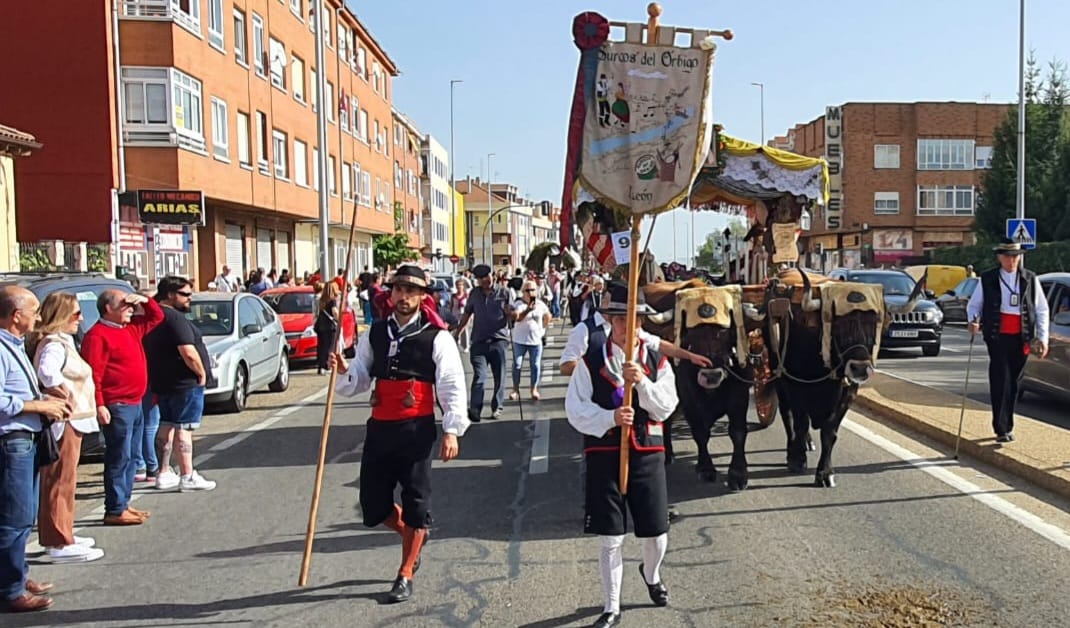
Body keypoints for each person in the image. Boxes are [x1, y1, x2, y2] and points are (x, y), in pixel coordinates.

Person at [330, 264, 468, 603]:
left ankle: (405, 572)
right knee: (373, 503)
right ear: (390, 294)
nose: (403, 297)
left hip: (416, 429)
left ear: (423, 297)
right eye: (398, 290)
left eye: (411, 291)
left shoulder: (438, 337)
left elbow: (452, 385)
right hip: (380, 427)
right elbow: (361, 378)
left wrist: (451, 430)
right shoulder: (375, 333)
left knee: (416, 501)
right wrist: (345, 368)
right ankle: (413, 533)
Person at [565, 282, 677, 627]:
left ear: (642, 322)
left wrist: (641, 383)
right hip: (604, 452)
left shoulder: (656, 359)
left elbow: (667, 407)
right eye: (618, 320)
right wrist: (609, 417)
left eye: (633, 320)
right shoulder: (591, 358)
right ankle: (611, 606)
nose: (626, 327)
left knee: (656, 533)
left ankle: (651, 573)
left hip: (647, 451)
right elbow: (575, 409)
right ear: (609, 321)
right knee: (611, 535)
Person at [0, 286, 73, 613]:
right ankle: (10, 589)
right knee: (14, 518)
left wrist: (46, 401)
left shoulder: (13, 345)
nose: (39, 317)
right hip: (11, 441)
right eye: (34, 310)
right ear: (17, 316)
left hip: (25, 439)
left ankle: (16, 574)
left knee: (22, 516)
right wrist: (37, 406)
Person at [29, 292, 105, 564]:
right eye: (75, 314)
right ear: (60, 316)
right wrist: (64, 394)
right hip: (66, 420)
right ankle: (58, 540)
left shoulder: (63, 342)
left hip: (73, 419)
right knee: (59, 480)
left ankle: (64, 532)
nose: (80, 319)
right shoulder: (54, 344)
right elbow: (47, 373)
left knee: (66, 479)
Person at [80, 289, 164, 526]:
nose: (130, 308)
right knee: (119, 456)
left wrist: (145, 301)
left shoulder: (130, 328)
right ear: (108, 308)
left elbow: (155, 317)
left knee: (131, 457)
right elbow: (93, 373)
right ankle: (115, 507)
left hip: (135, 401)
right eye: (124, 304)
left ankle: (124, 503)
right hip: (117, 404)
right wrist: (99, 404)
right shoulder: (98, 335)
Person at [966, 239, 1049, 443]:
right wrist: (973, 321)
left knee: (1014, 381)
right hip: (997, 336)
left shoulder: (1030, 279)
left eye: (1015, 257)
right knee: (1000, 379)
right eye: (1007, 257)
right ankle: (1002, 428)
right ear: (1000, 258)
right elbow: (974, 306)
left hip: (1022, 338)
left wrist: (1043, 338)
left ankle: (1007, 422)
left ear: (1019, 258)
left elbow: (1041, 310)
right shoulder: (988, 279)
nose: (1011, 261)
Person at [144, 276, 216, 492]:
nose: (189, 299)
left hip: (163, 380)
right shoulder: (174, 318)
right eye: (185, 295)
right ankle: (187, 474)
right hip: (184, 382)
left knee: (166, 424)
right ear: (170, 294)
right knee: (184, 427)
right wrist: (201, 373)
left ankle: (164, 471)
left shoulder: (153, 317)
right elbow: (187, 351)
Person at [560, 281, 712, 377]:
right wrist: (603, 371)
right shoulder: (584, 330)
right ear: (607, 304)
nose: (627, 323)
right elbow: (566, 366)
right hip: (598, 406)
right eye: (622, 316)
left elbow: (659, 344)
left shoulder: (632, 330)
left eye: (633, 316)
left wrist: (690, 356)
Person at [453, 264, 512, 422]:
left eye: (486, 277)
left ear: (492, 275)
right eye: (480, 279)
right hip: (479, 341)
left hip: (498, 340)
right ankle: (475, 409)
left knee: (499, 375)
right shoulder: (474, 294)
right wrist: (457, 333)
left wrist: (510, 313)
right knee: (479, 375)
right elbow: (466, 314)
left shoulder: (504, 292)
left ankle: (497, 406)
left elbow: (514, 314)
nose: (484, 281)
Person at [510, 280, 551, 401]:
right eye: (527, 290)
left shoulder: (540, 304)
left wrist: (543, 329)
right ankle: (515, 389)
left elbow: (548, 315)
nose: (530, 293)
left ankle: (534, 388)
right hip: (520, 340)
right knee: (517, 365)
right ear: (523, 292)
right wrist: (528, 309)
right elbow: (517, 318)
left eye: (533, 290)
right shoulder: (518, 303)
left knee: (535, 365)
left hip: (535, 341)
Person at [315, 282, 342, 376]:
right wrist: (339, 319)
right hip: (330, 326)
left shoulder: (321, 300)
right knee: (330, 346)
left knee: (321, 346)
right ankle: (327, 365)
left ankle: (321, 366)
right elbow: (334, 312)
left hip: (320, 326)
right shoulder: (332, 300)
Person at [451, 278, 472, 353]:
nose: (459, 287)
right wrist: (450, 315)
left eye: (460, 285)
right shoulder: (453, 296)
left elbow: (470, 306)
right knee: (455, 329)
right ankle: (455, 343)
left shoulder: (467, 296)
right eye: (457, 285)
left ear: (463, 286)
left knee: (464, 329)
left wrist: (471, 316)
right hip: (455, 314)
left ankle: (465, 346)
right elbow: (451, 305)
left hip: (464, 314)